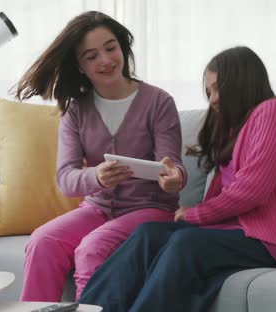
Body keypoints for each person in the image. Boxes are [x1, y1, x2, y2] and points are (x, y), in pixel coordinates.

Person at [78, 46, 276, 312]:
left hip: (272, 243)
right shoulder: (233, 126)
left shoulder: (272, 112)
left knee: (186, 243)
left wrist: (196, 215)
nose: (212, 100)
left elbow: (251, 191)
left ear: (241, 83)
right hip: (233, 234)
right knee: (147, 235)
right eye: (208, 92)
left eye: (217, 89)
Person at [14, 11, 188, 302]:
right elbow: (66, 179)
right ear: (80, 66)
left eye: (110, 48)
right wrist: (96, 176)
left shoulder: (158, 102)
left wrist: (175, 178)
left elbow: (172, 165)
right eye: (92, 56)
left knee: (92, 247)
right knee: (42, 241)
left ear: (122, 47)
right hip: (97, 209)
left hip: (151, 209)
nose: (106, 61)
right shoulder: (75, 110)